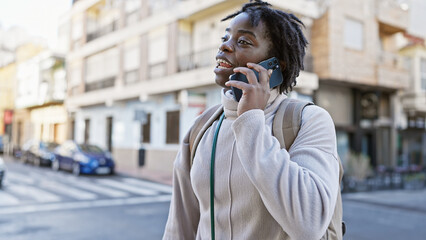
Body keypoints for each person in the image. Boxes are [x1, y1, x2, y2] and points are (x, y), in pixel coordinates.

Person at [163, 0, 342, 239]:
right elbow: (179, 227)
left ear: (274, 67)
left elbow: (308, 224)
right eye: (225, 38)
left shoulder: (309, 120)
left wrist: (250, 120)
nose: (225, 47)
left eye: (243, 41)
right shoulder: (201, 127)